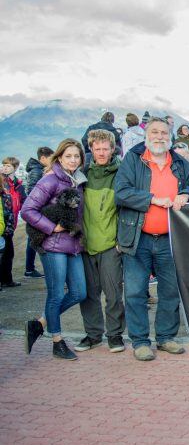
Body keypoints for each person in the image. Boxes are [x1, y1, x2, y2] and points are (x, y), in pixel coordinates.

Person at [114, 116, 189, 361]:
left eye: (164, 133)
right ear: (146, 135)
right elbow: (122, 192)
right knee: (136, 291)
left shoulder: (181, 163)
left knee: (170, 291)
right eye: (155, 132)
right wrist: (151, 199)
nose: (159, 136)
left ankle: (166, 337)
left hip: (171, 238)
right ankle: (139, 341)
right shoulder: (133, 160)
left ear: (170, 137)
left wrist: (185, 193)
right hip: (139, 237)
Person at [21, 138, 88, 360]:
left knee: (79, 292)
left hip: (73, 245)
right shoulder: (50, 180)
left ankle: (39, 324)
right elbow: (28, 210)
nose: (73, 160)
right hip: (53, 246)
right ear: (59, 157)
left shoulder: (77, 181)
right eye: (68, 156)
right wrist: (52, 228)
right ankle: (57, 341)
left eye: (76, 156)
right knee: (57, 294)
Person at [72, 130, 125, 354]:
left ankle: (115, 335)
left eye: (106, 148)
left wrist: (121, 241)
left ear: (113, 149)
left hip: (111, 244)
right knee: (89, 293)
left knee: (113, 294)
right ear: (91, 149)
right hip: (85, 244)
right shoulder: (80, 174)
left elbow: (126, 209)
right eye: (97, 148)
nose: (102, 152)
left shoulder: (121, 173)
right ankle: (93, 334)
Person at [24, 146, 54, 278]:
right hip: (37, 211)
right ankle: (29, 269)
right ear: (43, 158)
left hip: (37, 210)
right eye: (51, 158)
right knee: (33, 240)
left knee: (33, 239)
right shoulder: (37, 171)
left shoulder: (37, 169)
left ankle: (29, 269)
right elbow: (32, 191)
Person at [1, 157, 25, 289]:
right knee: (5, 252)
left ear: (15, 168)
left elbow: (23, 202)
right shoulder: (2, 183)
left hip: (11, 223)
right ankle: (5, 280)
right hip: (2, 223)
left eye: (8, 165)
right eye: (4, 165)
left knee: (8, 253)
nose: (5, 167)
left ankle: (6, 279)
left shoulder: (17, 185)